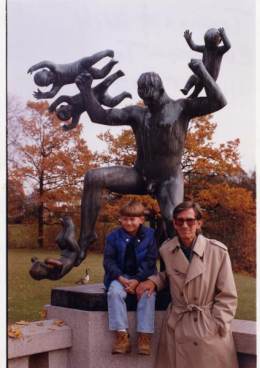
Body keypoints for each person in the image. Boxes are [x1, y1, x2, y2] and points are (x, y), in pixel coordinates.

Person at [74, 58, 227, 265]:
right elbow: (99, 116)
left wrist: (201, 70)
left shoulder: (181, 108)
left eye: (150, 99)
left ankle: (175, 269)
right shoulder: (137, 113)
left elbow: (219, 101)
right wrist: (86, 91)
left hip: (168, 178)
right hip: (140, 174)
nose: (147, 103)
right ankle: (85, 239)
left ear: (160, 90)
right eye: (143, 99)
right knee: (93, 177)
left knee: (173, 218)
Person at [136, 201, 238, 368]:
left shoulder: (217, 252)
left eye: (190, 220)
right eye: (179, 221)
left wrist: (218, 323)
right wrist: (154, 281)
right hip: (177, 325)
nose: (185, 225)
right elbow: (172, 275)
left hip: (207, 327)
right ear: (174, 224)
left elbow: (228, 294)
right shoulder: (167, 250)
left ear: (199, 223)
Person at [103, 200, 158, 355]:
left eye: (132, 219)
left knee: (148, 294)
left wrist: (138, 280)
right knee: (114, 293)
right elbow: (108, 261)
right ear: (120, 219)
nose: (128, 222)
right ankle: (122, 336)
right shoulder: (113, 236)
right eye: (125, 219)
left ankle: (144, 337)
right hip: (120, 277)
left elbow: (150, 260)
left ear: (141, 219)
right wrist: (120, 278)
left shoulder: (150, 235)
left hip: (143, 276)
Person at [181, 27, 231, 97]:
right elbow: (194, 47)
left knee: (199, 82)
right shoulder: (205, 48)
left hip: (211, 76)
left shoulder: (218, 51)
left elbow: (228, 46)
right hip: (203, 73)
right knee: (194, 78)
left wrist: (223, 35)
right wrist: (189, 40)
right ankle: (187, 90)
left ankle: (194, 94)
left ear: (219, 42)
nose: (209, 46)